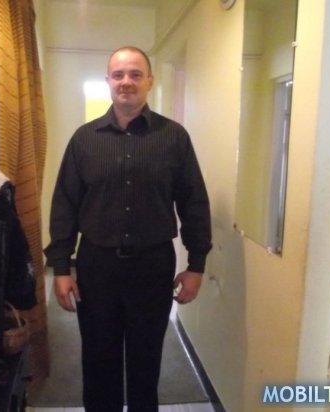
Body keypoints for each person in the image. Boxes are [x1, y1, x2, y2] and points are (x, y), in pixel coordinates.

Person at [44, 46, 212, 412]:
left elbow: (194, 203)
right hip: (96, 267)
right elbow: (64, 206)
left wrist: (196, 264)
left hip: (153, 267)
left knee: (146, 360)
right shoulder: (84, 140)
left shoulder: (174, 138)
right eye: (118, 74)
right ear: (108, 81)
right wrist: (61, 267)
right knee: (98, 359)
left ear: (150, 81)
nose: (126, 82)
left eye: (136, 74)